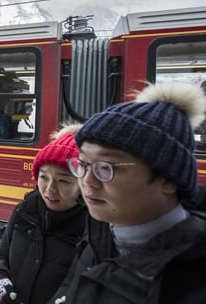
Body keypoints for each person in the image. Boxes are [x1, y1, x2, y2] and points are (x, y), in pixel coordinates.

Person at [50, 82, 206, 303]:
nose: (87, 181)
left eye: (106, 167)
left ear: (168, 179)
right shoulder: (99, 234)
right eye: (83, 164)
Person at [0, 124, 87, 304]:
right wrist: (0, 280)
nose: (50, 189)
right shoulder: (24, 212)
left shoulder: (91, 231)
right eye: (44, 177)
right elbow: (1, 258)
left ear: (81, 185)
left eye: (63, 180)